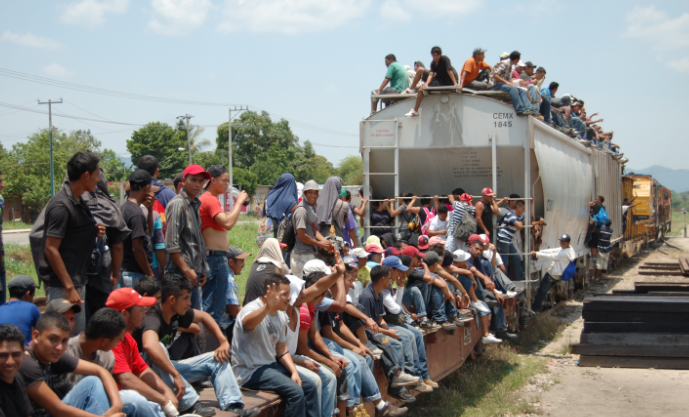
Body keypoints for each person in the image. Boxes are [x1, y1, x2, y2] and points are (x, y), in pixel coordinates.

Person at [134, 274, 256, 417]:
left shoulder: (177, 313)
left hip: (169, 371)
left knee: (216, 358)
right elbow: (149, 345)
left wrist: (223, 341)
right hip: (147, 376)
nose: (189, 303)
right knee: (158, 349)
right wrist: (175, 375)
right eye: (186, 298)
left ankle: (234, 406)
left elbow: (204, 317)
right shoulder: (152, 317)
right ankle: (190, 404)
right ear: (172, 300)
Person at [38, 151, 106, 335]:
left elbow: (72, 232)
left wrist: (93, 230)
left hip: (75, 282)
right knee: (62, 340)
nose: (99, 179)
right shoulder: (61, 205)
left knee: (74, 341)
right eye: (97, 174)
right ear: (86, 175)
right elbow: (51, 248)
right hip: (63, 286)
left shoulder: (77, 200)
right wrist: (69, 287)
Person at [232, 273, 318, 417]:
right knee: (296, 392)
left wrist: (294, 371)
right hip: (250, 371)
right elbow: (247, 323)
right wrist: (267, 307)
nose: (290, 298)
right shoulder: (252, 309)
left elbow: (282, 349)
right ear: (269, 293)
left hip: (270, 366)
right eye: (285, 294)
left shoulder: (280, 315)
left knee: (309, 386)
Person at [20, 312, 126, 417]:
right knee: (92, 383)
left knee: (132, 400)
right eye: (53, 339)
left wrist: (117, 405)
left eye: (64, 341)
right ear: (36, 336)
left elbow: (101, 371)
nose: (59, 347)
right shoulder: (27, 363)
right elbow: (57, 409)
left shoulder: (51, 354)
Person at [107, 288, 181, 417]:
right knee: (135, 399)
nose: (144, 315)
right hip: (109, 404)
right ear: (124, 314)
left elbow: (142, 369)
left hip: (123, 401)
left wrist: (165, 390)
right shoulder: (109, 340)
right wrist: (163, 399)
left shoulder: (128, 339)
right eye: (141, 310)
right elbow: (126, 379)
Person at [199, 165, 249, 331]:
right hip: (214, 258)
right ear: (213, 180)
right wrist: (239, 202)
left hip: (216, 257)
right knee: (214, 310)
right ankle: (213, 349)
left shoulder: (209, 199)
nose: (228, 184)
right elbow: (227, 223)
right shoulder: (210, 199)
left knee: (214, 306)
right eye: (224, 180)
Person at [381, 257, 437, 392]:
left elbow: (396, 304)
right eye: (398, 270)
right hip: (386, 323)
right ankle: (414, 377)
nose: (401, 273)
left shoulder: (389, 283)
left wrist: (400, 287)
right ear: (390, 270)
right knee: (409, 336)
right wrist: (400, 288)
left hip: (392, 319)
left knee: (417, 333)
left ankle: (423, 375)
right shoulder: (382, 285)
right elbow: (394, 308)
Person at [165, 164, 210, 310]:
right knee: (182, 320)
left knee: (192, 317)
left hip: (192, 273)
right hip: (180, 273)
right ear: (184, 181)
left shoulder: (193, 204)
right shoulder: (178, 204)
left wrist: (201, 268)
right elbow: (172, 243)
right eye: (194, 180)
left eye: (201, 181)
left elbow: (195, 241)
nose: (198, 184)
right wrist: (186, 270)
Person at [120, 170, 156, 287]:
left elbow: (149, 234)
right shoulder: (136, 214)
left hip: (125, 271)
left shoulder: (124, 208)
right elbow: (138, 249)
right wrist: (150, 274)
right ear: (146, 188)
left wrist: (149, 209)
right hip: (135, 274)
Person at [292, 180, 334, 276]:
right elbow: (301, 235)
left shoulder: (311, 208)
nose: (313, 195)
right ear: (304, 193)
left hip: (310, 253)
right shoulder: (302, 210)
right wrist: (319, 243)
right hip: (301, 255)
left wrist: (327, 243)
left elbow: (314, 230)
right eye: (310, 192)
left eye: (315, 193)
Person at [405, 46, 458, 117]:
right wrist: (426, 84)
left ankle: (415, 110)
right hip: (437, 79)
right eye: (433, 56)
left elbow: (449, 71)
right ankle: (411, 89)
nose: (435, 57)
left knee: (421, 89)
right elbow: (431, 75)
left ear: (440, 54)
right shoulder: (433, 63)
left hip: (446, 82)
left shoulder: (444, 59)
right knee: (420, 69)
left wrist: (455, 83)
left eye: (437, 55)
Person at [530, 235, 576, 312]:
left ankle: (534, 309)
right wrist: (539, 252)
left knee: (542, 292)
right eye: (561, 241)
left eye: (564, 242)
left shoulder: (565, 253)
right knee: (542, 291)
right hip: (557, 276)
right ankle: (535, 307)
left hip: (551, 276)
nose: (562, 243)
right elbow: (553, 250)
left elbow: (551, 256)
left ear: (568, 242)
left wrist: (537, 254)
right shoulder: (569, 249)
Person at [488, 51, 539, 116]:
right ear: (516, 59)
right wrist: (506, 82)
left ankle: (529, 108)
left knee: (521, 90)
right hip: (495, 85)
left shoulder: (510, 65)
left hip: (502, 84)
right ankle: (520, 109)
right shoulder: (504, 63)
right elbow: (495, 75)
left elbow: (508, 77)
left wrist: (511, 82)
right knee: (512, 89)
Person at [243, 238, 290, 305]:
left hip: (248, 304)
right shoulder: (278, 266)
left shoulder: (255, 264)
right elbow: (288, 278)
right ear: (275, 249)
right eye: (279, 248)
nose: (281, 250)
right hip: (262, 307)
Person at [0, 324, 34, 417]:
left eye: (16, 354)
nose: (10, 362)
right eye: (2, 355)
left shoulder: (17, 377)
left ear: (23, 354)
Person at [0, 275, 41, 343]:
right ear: (27, 294)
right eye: (33, 296)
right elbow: (43, 331)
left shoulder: (1, 309)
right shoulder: (31, 308)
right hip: (23, 351)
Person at [225, 246, 251, 343]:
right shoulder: (229, 281)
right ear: (231, 262)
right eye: (241, 261)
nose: (244, 265)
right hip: (226, 328)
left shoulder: (223, 276)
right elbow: (235, 312)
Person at [497, 200, 526, 281]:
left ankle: (518, 279)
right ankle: (504, 281)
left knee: (516, 258)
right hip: (503, 240)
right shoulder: (511, 215)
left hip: (508, 240)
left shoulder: (519, 217)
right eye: (523, 208)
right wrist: (520, 223)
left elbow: (526, 222)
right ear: (518, 207)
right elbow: (520, 226)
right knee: (505, 262)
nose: (524, 210)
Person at [317, 177, 348, 241]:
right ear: (339, 187)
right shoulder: (344, 205)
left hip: (320, 241)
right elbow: (344, 222)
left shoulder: (316, 203)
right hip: (337, 240)